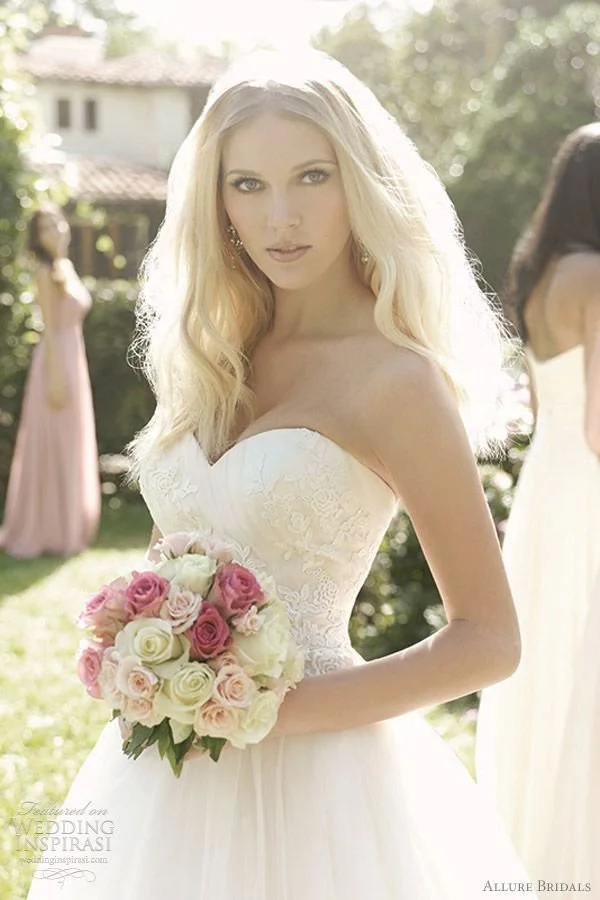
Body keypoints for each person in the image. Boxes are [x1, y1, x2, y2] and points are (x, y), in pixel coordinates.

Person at [26, 51, 535, 899]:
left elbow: (490, 641)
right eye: (248, 185)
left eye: (312, 176)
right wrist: (147, 656)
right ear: (216, 201)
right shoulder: (211, 355)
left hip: (329, 789)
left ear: (361, 184)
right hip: (164, 776)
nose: (282, 216)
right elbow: (175, 560)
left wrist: (265, 711)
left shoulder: (395, 380)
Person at [475, 123, 600, 893]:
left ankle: (543, 858)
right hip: (589, 477)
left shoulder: (542, 270)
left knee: (559, 658)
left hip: (550, 483)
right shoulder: (598, 275)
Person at [0, 204, 100, 558]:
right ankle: (43, 529)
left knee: (69, 441)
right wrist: (56, 378)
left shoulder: (64, 267)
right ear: (37, 236)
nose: (53, 230)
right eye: (44, 227)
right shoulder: (44, 271)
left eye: (55, 222)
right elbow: (48, 327)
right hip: (56, 361)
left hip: (73, 358)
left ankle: (66, 526)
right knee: (52, 440)